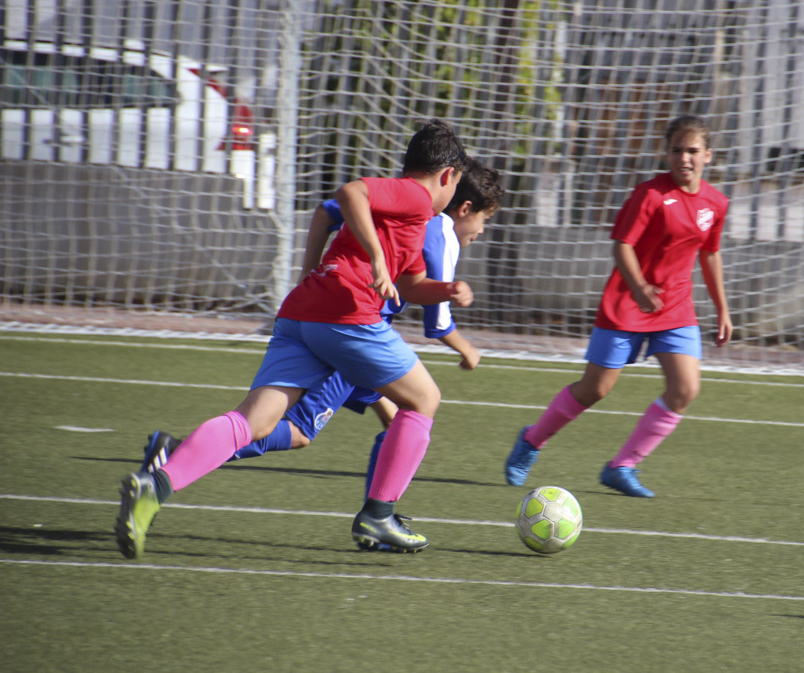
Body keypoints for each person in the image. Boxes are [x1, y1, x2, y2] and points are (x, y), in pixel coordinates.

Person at [115, 119, 469, 558]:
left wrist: (448, 290)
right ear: (448, 175)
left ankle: (156, 484)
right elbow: (349, 193)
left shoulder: (412, 219)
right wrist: (377, 259)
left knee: (253, 421)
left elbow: (412, 283)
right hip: (348, 316)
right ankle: (379, 516)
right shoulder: (415, 196)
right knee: (424, 400)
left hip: (303, 313)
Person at [141, 160, 503, 503]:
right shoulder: (439, 231)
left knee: (395, 417)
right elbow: (436, 322)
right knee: (298, 430)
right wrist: (466, 349)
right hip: (353, 330)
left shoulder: (394, 199)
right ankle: (176, 455)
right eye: (485, 219)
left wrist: (309, 273)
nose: (482, 230)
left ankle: (378, 515)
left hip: (353, 323)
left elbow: (326, 212)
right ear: (463, 206)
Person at [504, 115, 731, 498]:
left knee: (685, 388)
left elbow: (710, 254)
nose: (684, 158)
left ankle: (622, 466)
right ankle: (531, 441)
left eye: (693, 151)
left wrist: (722, 309)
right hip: (627, 303)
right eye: (677, 150)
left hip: (675, 308)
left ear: (708, 155)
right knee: (595, 389)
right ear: (667, 152)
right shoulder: (650, 195)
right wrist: (639, 286)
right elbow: (622, 245)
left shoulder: (715, 202)